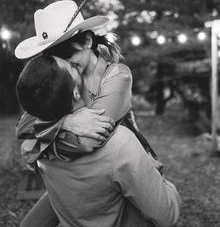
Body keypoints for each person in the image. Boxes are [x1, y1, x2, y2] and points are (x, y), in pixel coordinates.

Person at [15, 0, 163, 225]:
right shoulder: (63, 74)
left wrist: (36, 147)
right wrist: (65, 122)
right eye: (58, 61)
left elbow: (87, 141)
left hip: (121, 172)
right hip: (74, 176)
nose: (64, 67)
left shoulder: (117, 76)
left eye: (70, 60)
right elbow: (24, 124)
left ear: (86, 41)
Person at [16, 54, 181, 227]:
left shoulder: (35, 146)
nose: (78, 67)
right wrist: (165, 184)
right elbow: (167, 216)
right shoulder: (119, 144)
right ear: (75, 92)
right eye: (71, 66)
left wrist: (62, 122)